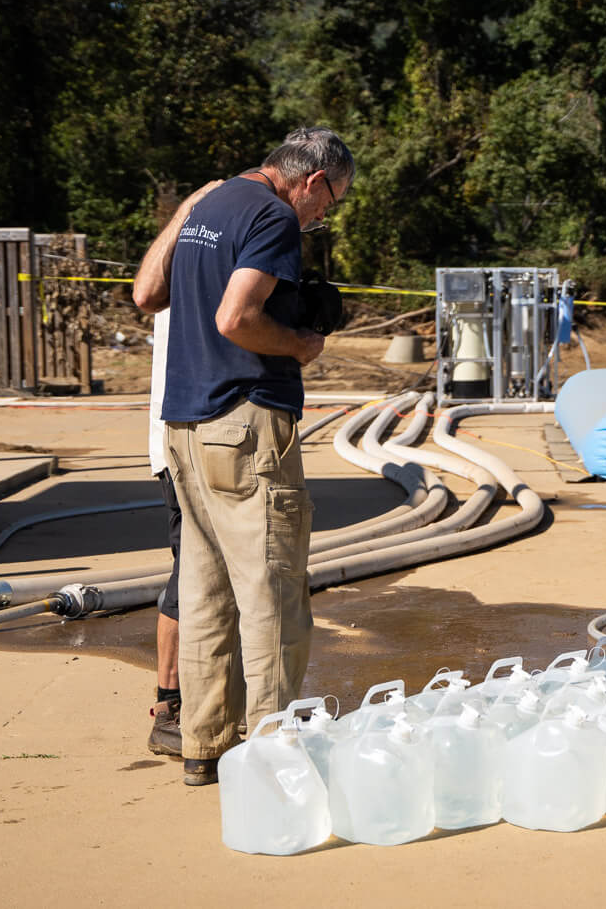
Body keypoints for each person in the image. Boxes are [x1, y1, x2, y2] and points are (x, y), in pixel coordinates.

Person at [134, 127, 354, 785]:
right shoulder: (273, 215)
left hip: (183, 428)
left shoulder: (209, 206)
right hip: (245, 422)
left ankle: (204, 744)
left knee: (205, 595)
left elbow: (147, 295)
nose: (321, 218)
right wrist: (299, 344)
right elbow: (237, 318)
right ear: (313, 180)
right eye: (331, 201)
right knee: (272, 591)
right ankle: (273, 748)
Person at [137, 181, 223, 757]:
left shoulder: (199, 254)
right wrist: (188, 208)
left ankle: (207, 696)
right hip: (182, 444)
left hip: (201, 441)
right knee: (189, 574)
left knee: (208, 572)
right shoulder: (189, 265)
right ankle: (170, 702)